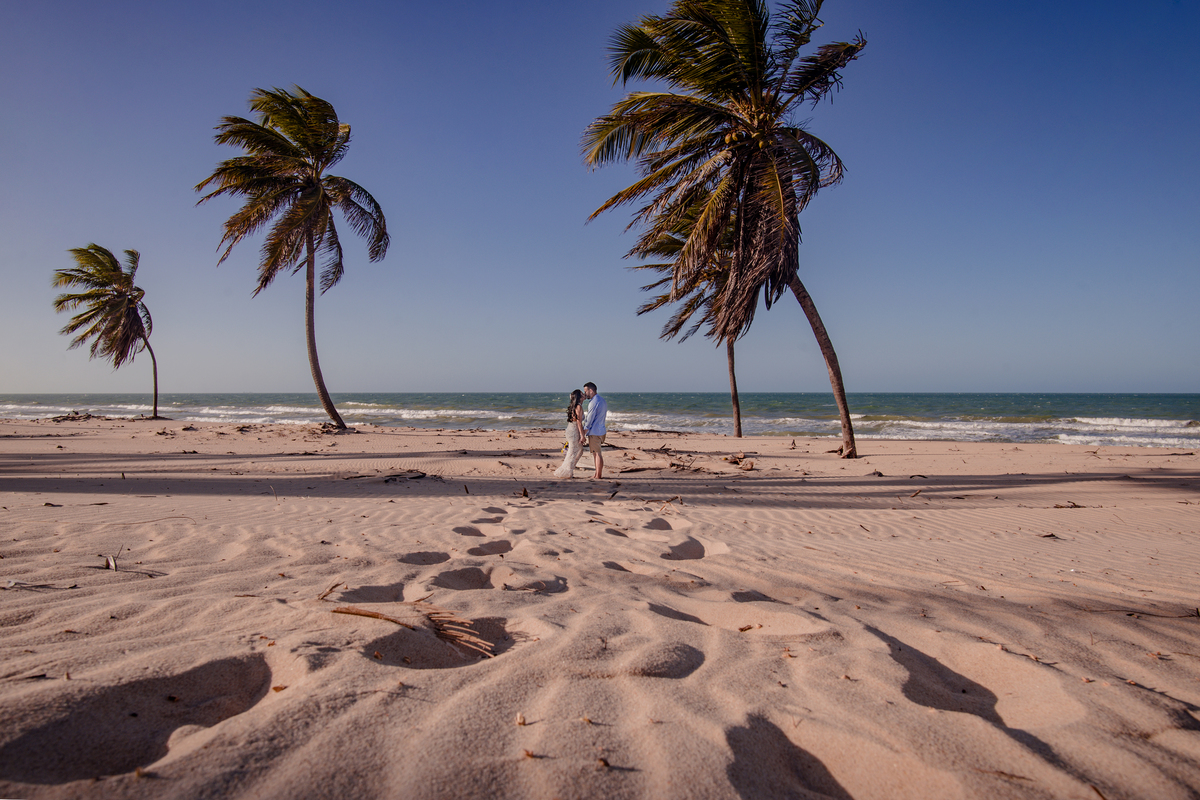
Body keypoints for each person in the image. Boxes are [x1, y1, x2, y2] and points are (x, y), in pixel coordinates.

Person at [554, 389, 586, 478]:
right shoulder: (578, 406)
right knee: (573, 452)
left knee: (578, 451)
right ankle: (567, 472)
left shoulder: (575, 406)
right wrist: (582, 435)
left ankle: (569, 470)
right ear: (579, 397)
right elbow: (579, 423)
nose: (584, 395)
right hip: (574, 432)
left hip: (570, 430)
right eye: (582, 394)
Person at [582, 382, 608, 479]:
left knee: (596, 454)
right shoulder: (602, 400)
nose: (585, 394)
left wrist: (584, 432)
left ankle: (598, 475)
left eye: (586, 391)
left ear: (591, 391)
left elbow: (590, 419)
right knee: (597, 453)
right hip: (601, 430)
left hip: (595, 432)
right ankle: (597, 474)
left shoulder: (593, 402)